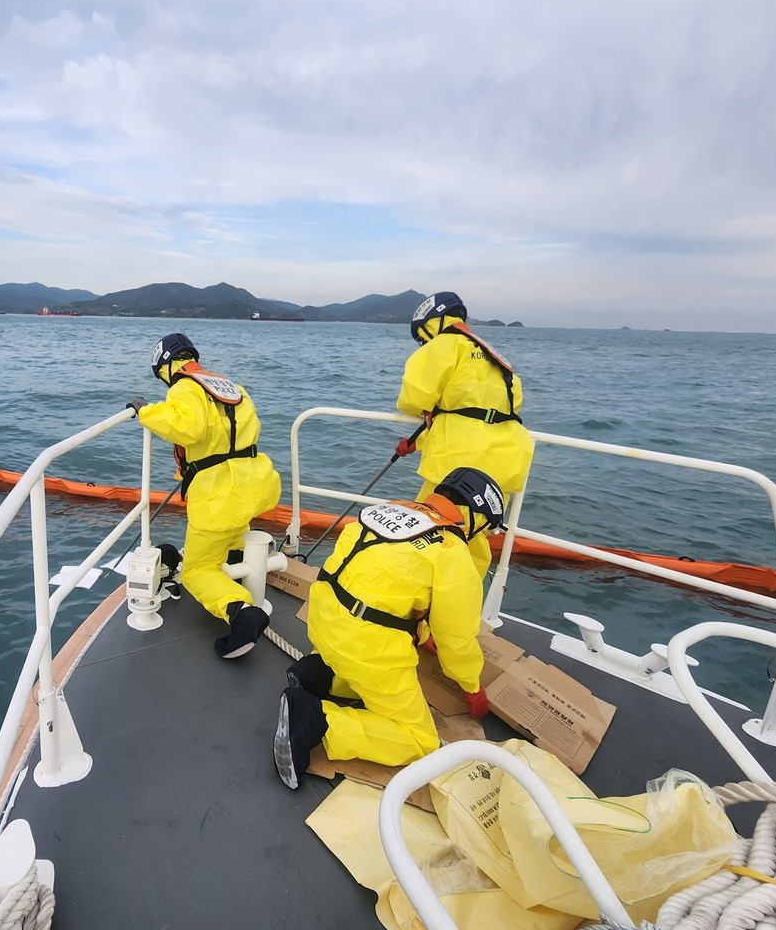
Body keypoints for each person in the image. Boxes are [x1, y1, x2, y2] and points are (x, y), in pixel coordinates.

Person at [273, 467, 504, 789]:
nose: (483, 538)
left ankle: (320, 673)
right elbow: (458, 638)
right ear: (475, 517)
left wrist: (421, 635)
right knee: (419, 739)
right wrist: (472, 686)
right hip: (365, 647)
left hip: (323, 622)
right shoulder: (451, 553)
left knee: (356, 659)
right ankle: (319, 722)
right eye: (487, 531)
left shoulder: (386, 512)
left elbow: (385, 587)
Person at [127, 332, 283, 659]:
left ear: (166, 366)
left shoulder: (185, 386)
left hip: (217, 494)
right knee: (233, 532)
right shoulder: (231, 387)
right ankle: (240, 561)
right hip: (251, 482)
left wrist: (146, 413)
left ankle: (241, 612)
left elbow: (187, 427)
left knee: (197, 570)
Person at [395, 291, 533, 579]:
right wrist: (416, 442)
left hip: (458, 461)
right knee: (475, 536)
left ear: (430, 324)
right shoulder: (495, 357)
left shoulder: (444, 345)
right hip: (506, 459)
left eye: (422, 335)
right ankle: (464, 606)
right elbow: (482, 412)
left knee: (433, 527)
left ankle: (425, 603)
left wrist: (428, 412)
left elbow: (412, 398)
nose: (423, 342)